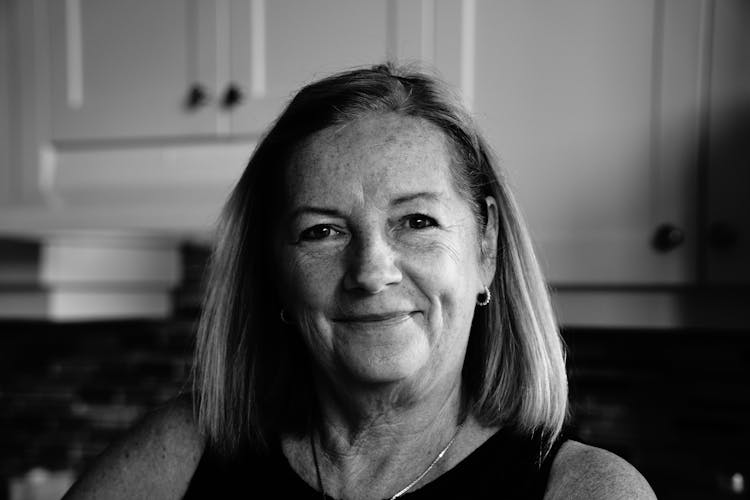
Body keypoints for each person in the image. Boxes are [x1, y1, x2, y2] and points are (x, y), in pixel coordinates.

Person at [63, 63, 656, 499]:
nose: (371, 271)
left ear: (486, 247)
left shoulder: (585, 489)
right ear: (275, 272)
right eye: (321, 232)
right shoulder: (189, 449)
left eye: (417, 221)